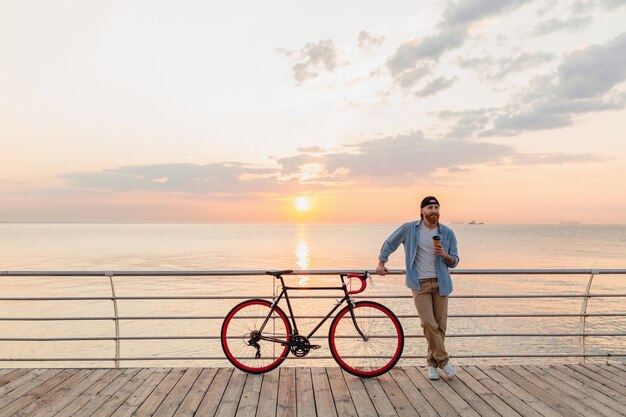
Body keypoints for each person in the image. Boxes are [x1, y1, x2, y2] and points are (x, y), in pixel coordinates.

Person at [375, 196, 459, 380]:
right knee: (428, 324)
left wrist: (444, 254)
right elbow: (390, 243)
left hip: (441, 283)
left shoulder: (447, 233)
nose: (434, 210)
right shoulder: (409, 229)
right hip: (419, 284)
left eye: (437, 207)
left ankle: (432, 365)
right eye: (430, 207)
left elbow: (454, 261)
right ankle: (444, 361)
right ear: (422, 211)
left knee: (440, 327)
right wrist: (382, 262)